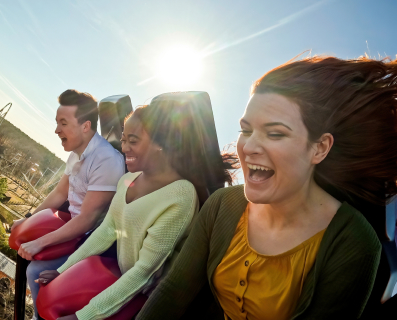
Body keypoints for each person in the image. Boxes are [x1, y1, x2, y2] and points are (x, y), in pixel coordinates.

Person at [136, 56, 397, 320]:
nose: (248, 148)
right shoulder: (221, 205)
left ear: (319, 148)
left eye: (275, 134)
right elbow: (172, 292)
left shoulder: (354, 241)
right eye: (245, 130)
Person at [37, 101, 236, 320]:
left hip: (147, 298)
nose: (124, 148)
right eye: (123, 139)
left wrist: (83, 317)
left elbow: (144, 271)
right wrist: (62, 270)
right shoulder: (127, 180)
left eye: (133, 141)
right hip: (124, 278)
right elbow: (107, 230)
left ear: (161, 144)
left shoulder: (180, 196)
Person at [11, 89, 125, 319]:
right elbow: (60, 192)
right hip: (71, 225)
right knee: (23, 243)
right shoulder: (76, 152)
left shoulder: (106, 160)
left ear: (85, 126)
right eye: (57, 122)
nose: (56, 130)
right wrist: (30, 218)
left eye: (63, 123)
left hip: (90, 238)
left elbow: (88, 219)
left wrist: (39, 243)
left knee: (36, 269)